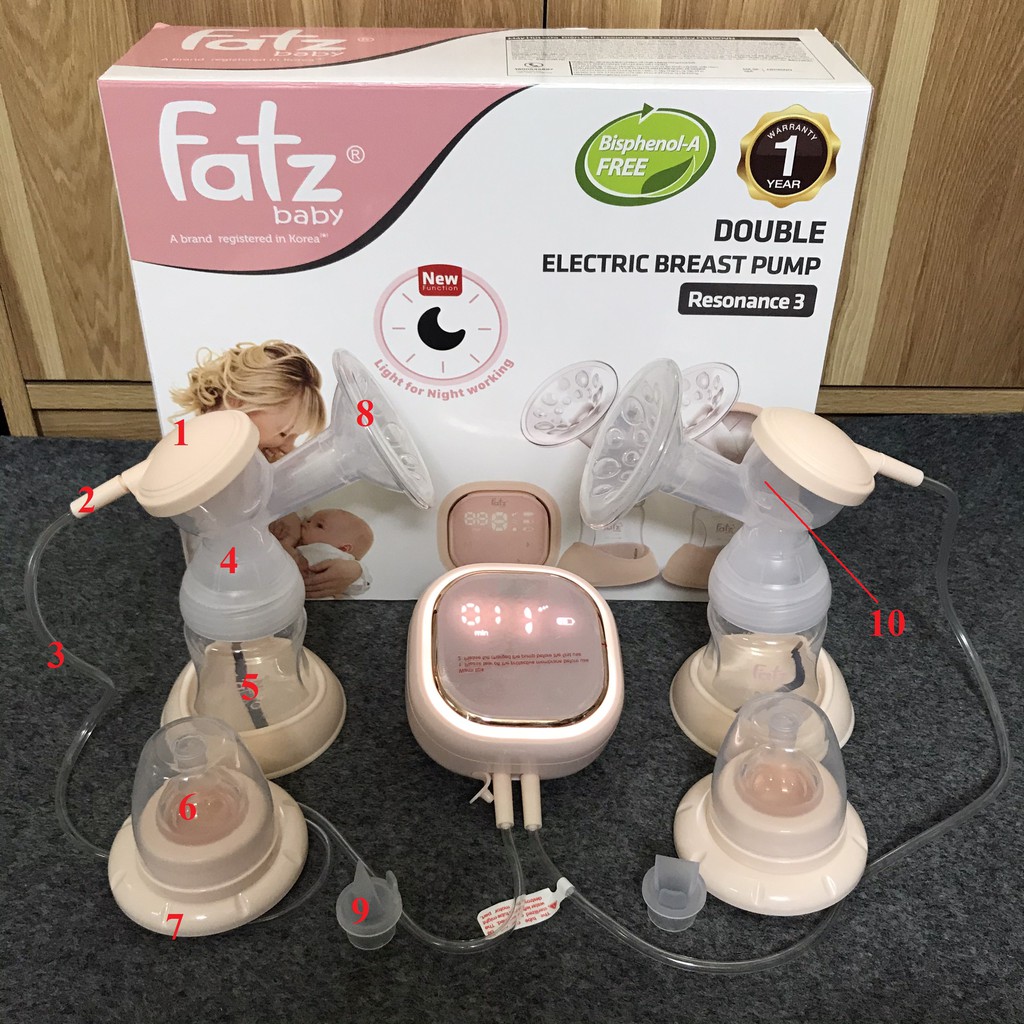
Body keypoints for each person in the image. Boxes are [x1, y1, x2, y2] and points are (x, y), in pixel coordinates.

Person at [171, 340, 326, 463]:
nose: (289, 449)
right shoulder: (190, 455)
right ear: (238, 402)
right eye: (283, 433)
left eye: (294, 438)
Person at [270, 509, 374, 598]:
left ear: (343, 548)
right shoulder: (304, 547)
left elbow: (293, 559)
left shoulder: (328, 553)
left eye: (319, 525)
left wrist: (284, 543)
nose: (305, 523)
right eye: (309, 520)